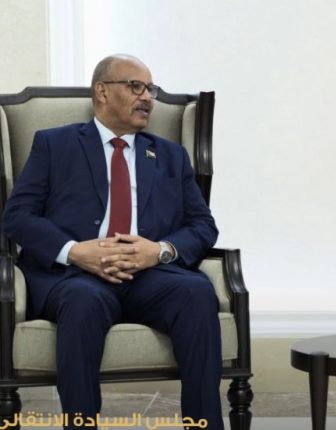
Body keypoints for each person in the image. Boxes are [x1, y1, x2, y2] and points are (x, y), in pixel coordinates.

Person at [3, 54, 223, 429]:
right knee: (83, 300)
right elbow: (17, 217)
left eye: (150, 89)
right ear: (102, 92)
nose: (147, 97)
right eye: (136, 86)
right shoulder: (54, 144)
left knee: (197, 292)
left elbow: (203, 225)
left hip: (149, 277)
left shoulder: (170, 155)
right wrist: (74, 252)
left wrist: (159, 251)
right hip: (75, 277)